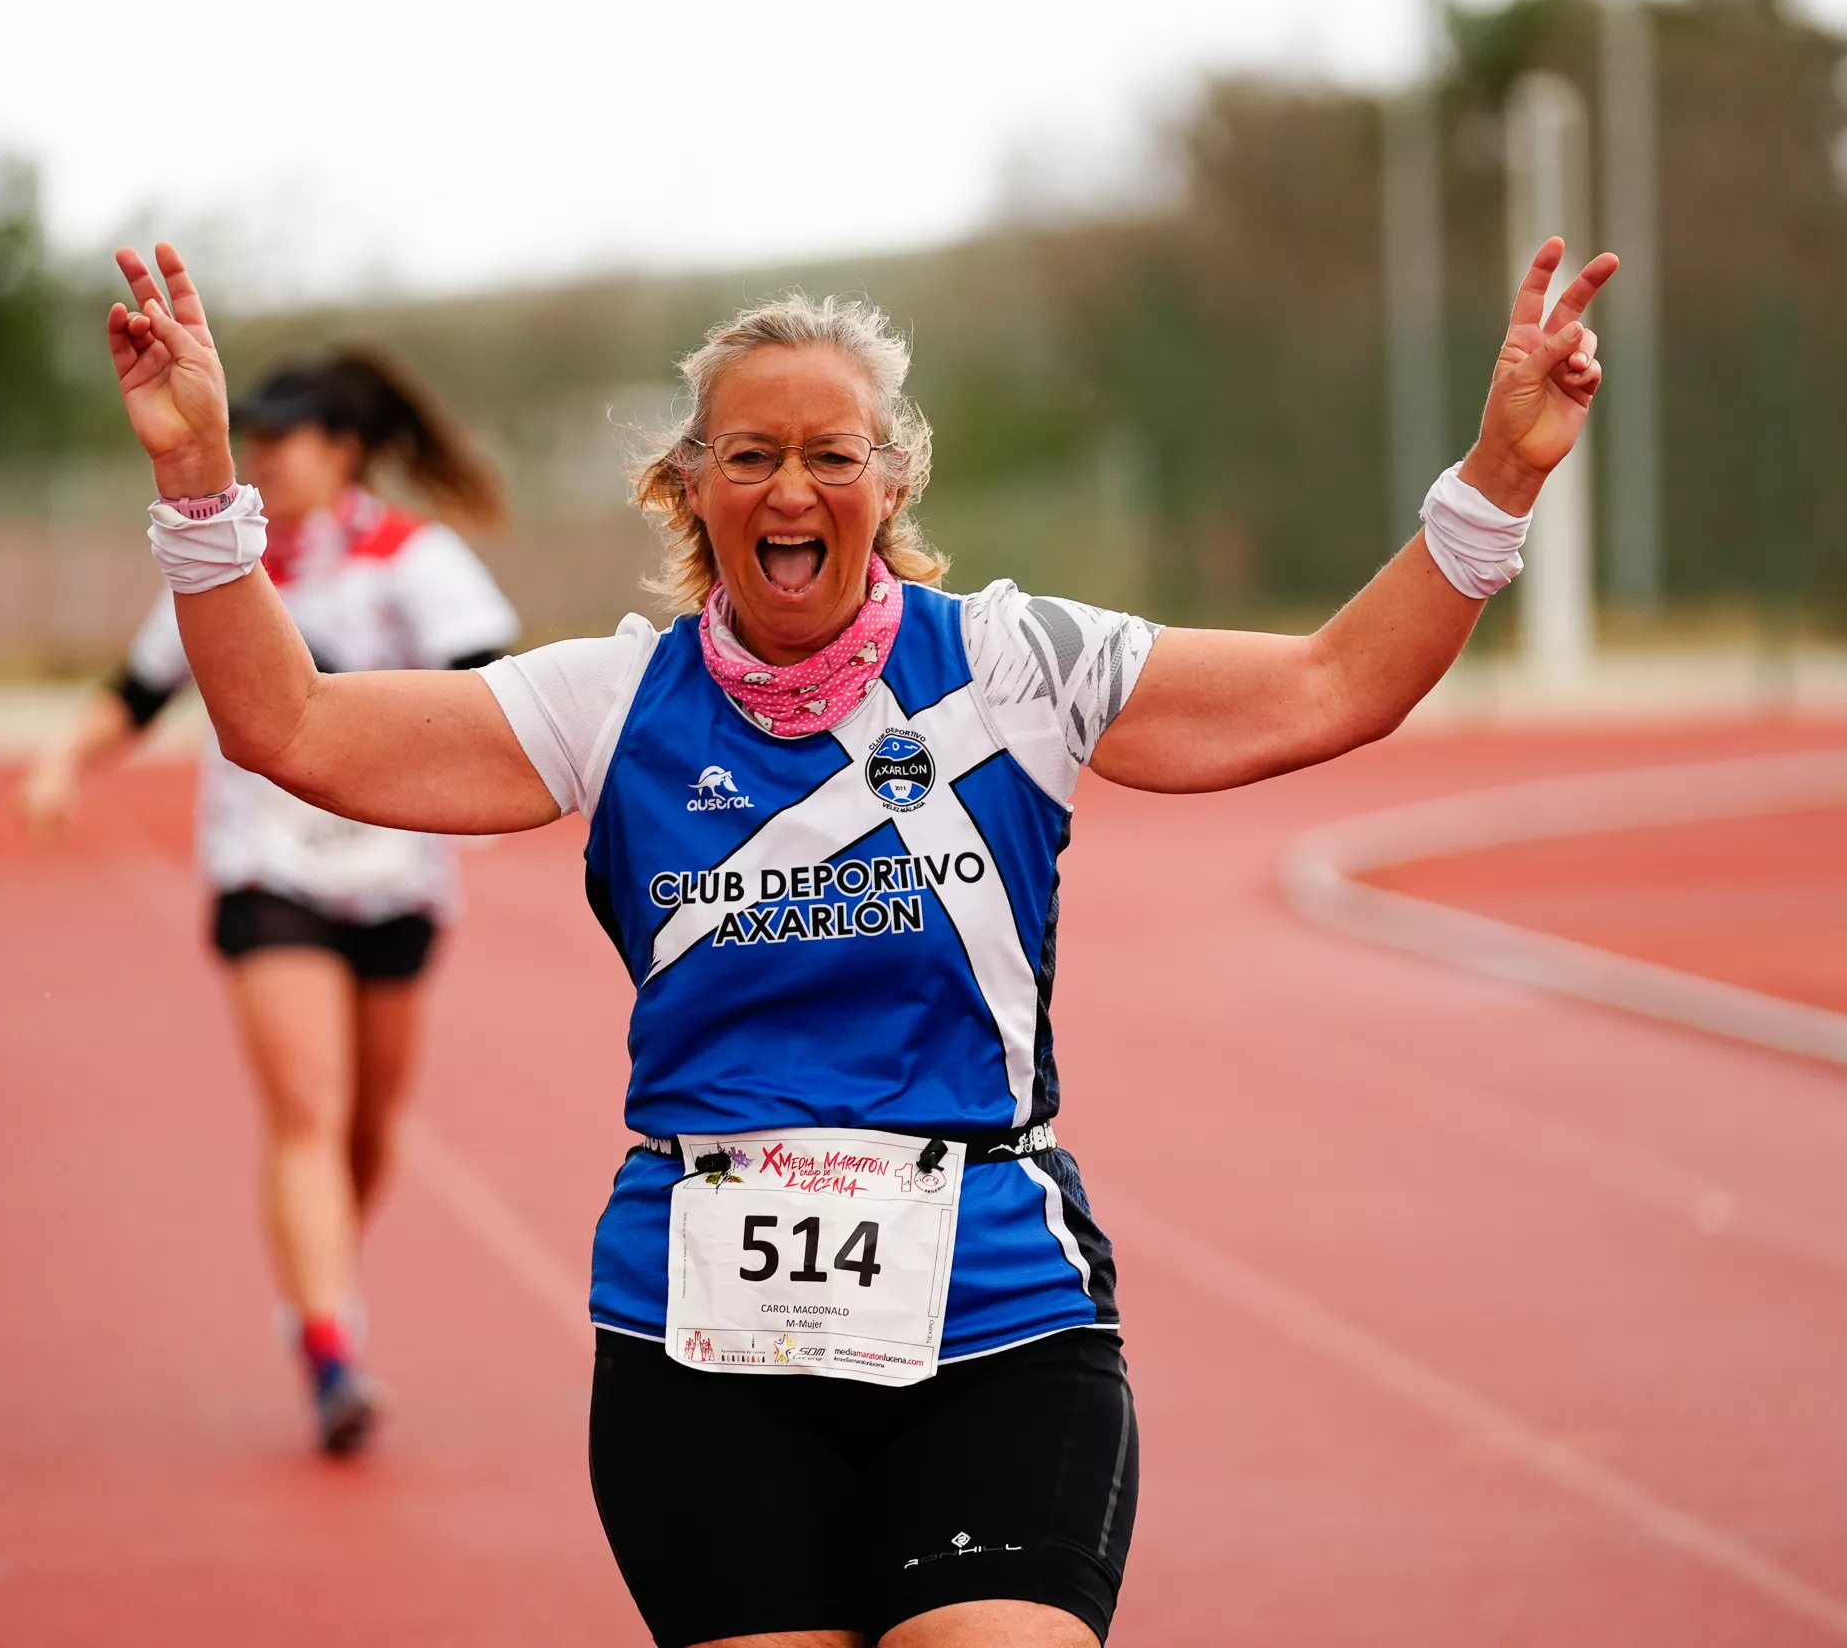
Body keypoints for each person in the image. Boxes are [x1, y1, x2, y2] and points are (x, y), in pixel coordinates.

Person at [100, 234, 1611, 1646]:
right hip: (706, 1346)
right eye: (750, 456)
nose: (791, 488)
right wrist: (194, 482)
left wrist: (1500, 476)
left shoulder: (1016, 668)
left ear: (891, 481)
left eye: (831, 454)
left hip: (997, 1318)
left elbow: (1327, 689)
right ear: (690, 487)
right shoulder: (609, 704)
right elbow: (287, 724)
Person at [19, 351, 520, 1455]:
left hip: (395, 873)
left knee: (366, 1125)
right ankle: (333, 1344)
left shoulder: (414, 561)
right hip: (267, 868)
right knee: (304, 1102)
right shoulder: (223, 565)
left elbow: (498, 688)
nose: (268, 459)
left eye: (287, 441)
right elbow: (139, 689)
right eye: (258, 441)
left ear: (341, 451)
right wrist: (62, 761)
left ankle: (317, 1279)